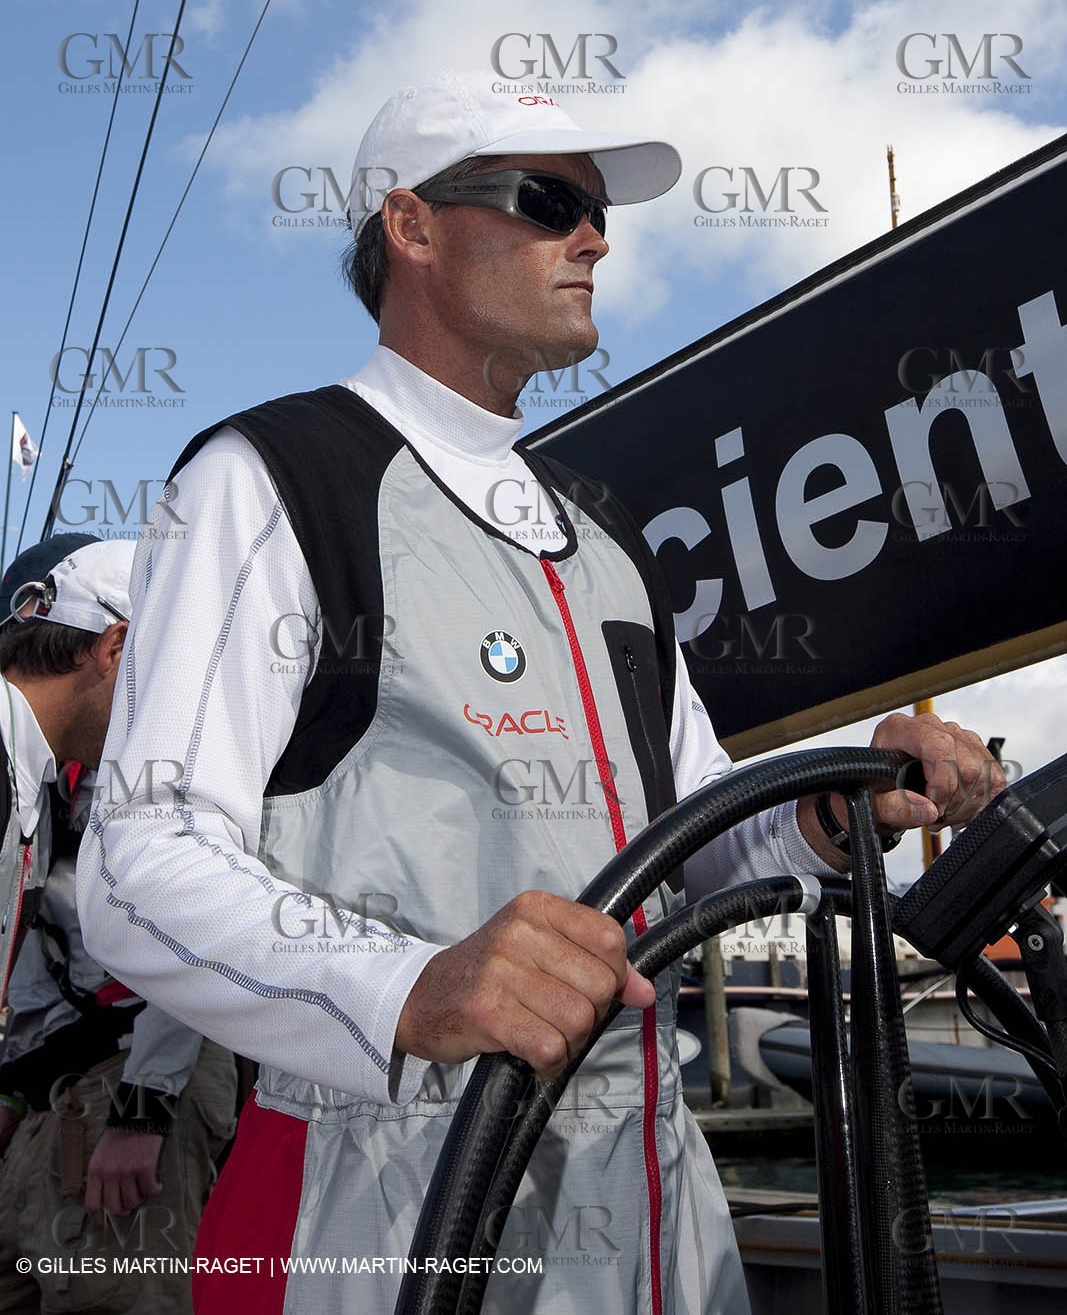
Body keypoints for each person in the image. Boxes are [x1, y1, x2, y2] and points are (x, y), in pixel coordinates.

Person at [77, 72, 1005, 1315]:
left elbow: (697, 834)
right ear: (409, 227)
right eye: (550, 198)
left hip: (658, 1193)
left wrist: (838, 805)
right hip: (389, 1193)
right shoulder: (269, 479)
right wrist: (403, 984)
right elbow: (141, 859)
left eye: (597, 208)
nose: (596, 236)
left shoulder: (604, 533)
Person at [0, 535, 236, 1315]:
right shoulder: (29, 773)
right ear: (117, 647)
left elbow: (198, 925)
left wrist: (145, 1104)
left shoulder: (171, 770)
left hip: (130, 1083)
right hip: (49, 1096)